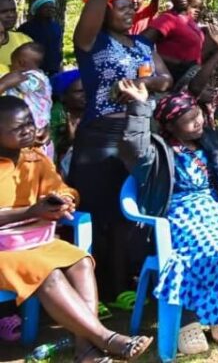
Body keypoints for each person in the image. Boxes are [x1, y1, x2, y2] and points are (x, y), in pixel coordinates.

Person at [118, 61, 218, 352]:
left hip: (215, 211)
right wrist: (140, 107)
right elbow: (134, 145)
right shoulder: (157, 153)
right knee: (214, 252)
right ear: (170, 126)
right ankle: (188, 321)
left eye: (198, 116)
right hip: (178, 215)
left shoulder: (212, 140)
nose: (198, 122)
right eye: (189, 120)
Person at [0, 95, 153, 363]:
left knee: (81, 261)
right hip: (6, 252)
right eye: (17, 128)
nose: (27, 130)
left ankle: (85, 349)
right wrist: (29, 211)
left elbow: (60, 187)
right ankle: (108, 339)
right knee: (50, 275)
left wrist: (64, 200)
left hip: (34, 239)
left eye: (29, 123)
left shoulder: (35, 158)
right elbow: (29, 210)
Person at [68, 0, 172, 298]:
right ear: (106, 11)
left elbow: (165, 80)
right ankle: (95, 294)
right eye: (122, 7)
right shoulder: (91, 42)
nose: (130, 12)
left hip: (138, 133)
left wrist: (135, 85)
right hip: (99, 139)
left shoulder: (142, 46)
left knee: (132, 213)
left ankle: (125, 286)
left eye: (133, 7)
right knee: (100, 217)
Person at [140, 0, 204, 86]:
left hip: (191, 85)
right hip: (174, 85)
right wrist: (177, 64)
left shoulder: (190, 20)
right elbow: (139, 45)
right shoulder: (167, 19)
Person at [19, 0, 65, 77]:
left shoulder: (56, 27)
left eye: (53, 7)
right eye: (47, 7)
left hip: (54, 69)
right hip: (33, 70)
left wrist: (60, 65)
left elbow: (58, 47)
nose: (51, 9)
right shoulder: (26, 28)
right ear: (37, 9)